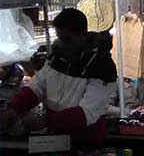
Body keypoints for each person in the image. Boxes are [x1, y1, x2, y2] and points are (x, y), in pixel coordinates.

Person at [6, 8, 119, 138]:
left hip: (87, 139)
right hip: (55, 135)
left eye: (67, 39)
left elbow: (87, 113)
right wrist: (14, 108)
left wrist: (44, 121)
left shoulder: (101, 65)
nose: (63, 44)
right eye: (60, 38)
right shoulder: (56, 56)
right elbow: (38, 87)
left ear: (82, 34)